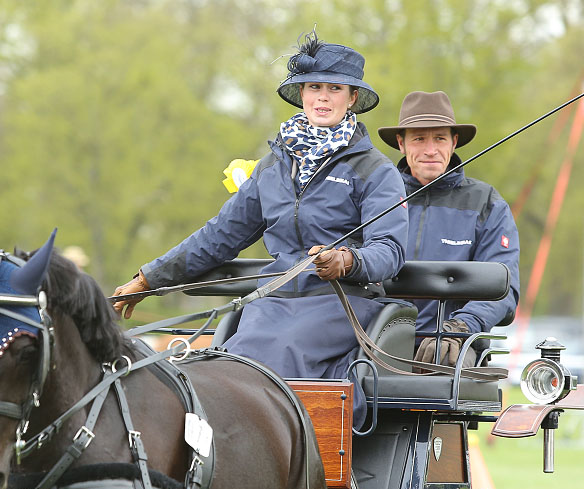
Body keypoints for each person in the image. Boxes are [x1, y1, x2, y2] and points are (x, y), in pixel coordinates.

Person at [113, 34, 408, 425]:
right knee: (227, 363)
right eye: (314, 87)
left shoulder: (374, 171)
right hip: (274, 300)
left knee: (278, 354)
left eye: (334, 89)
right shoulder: (273, 166)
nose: (322, 97)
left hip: (343, 302)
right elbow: (220, 235)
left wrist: (348, 260)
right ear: (302, 94)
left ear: (352, 98)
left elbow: (390, 250)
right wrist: (149, 278)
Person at [377, 91, 520, 366]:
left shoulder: (487, 204)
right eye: (419, 138)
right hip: (375, 343)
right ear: (401, 143)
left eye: (440, 138)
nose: (430, 150)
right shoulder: (377, 198)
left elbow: (505, 290)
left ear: (454, 142)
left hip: (453, 350)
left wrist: (460, 328)